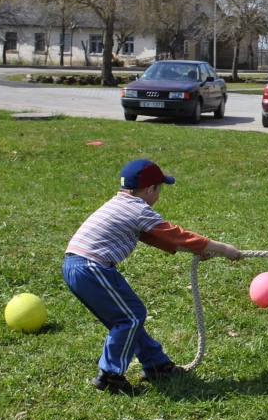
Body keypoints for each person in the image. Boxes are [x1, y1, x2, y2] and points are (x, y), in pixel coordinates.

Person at [63, 159, 243, 394]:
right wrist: (223, 248)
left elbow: (157, 239)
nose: (159, 194)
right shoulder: (138, 209)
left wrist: (198, 250)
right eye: (159, 189)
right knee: (131, 317)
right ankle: (110, 374)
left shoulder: (119, 204)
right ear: (150, 189)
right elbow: (176, 235)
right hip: (92, 267)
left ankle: (156, 365)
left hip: (75, 266)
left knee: (127, 319)